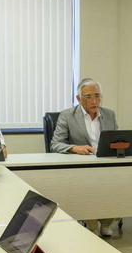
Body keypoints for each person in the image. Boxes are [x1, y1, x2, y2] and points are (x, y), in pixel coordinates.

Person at [50, 78, 118, 236]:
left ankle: (107, 222)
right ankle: (91, 223)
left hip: (106, 164)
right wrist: (74, 148)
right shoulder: (68, 115)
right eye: (88, 97)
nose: (94, 101)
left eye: (97, 96)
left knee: (121, 182)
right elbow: (55, 144)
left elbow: (115, 140)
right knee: (89, 185)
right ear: (78, 99)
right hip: (82, 166)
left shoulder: (109, 114)